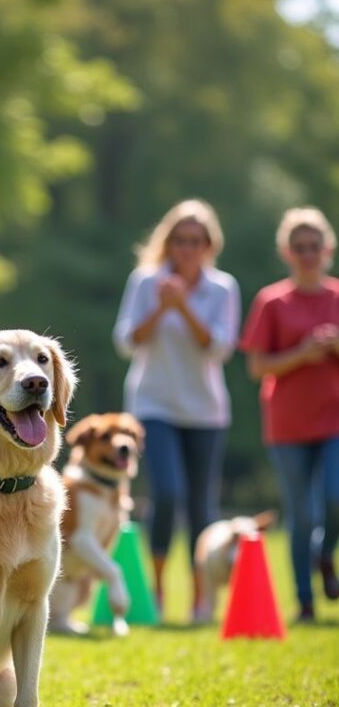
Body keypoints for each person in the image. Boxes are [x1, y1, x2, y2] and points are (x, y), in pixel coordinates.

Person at [113, 199, 241, 621]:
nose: (187, 249)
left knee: (202, 506)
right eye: (179, 241)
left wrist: (183, 306)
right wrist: (161, 308)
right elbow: (126, 341)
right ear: (168, 243)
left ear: (209, 245)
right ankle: (158, 587)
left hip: (205, 410)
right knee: (167, 493)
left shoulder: (223, 288)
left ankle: (202, 598)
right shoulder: (145, 281)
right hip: (153, 405)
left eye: (195, 241)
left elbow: (218, 348)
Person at [240, 207, 339, 623]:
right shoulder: (272, 301)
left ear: (327, 249)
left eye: (314, 246)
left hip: (334, 418)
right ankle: (304, 601)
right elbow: (257, 366)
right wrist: (303, 353)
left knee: (335, 499)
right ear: (287, 252)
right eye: (299, 248)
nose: (308, 254)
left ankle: (323, 553)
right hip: (288, 423)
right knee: (301, 515)